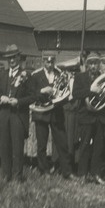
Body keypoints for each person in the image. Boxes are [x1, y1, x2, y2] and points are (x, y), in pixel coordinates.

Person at [0, 44, 35, 182]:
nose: (11, 60)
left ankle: (17, 176)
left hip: (18, 115)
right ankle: (5, 175)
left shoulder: (26, 75)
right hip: (4, 114)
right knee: (4, 146)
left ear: (18, 58)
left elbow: (33, 96)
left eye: (13, 57)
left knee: (17, 147)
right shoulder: (3, 74)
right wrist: (0, 98)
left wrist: (19, 102)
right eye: (9, 58)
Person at [29, 51, 73, 179]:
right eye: (47, 62)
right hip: (41, 112)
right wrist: (42, 90)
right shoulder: (36, 75)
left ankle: (67, 171)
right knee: (42, 144)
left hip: (56, 112)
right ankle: (44, 171)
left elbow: (66, 91)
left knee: (62, 143)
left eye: (52, 61)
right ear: (43, 62)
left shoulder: (60, 74)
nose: (49, 64)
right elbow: (31, 94)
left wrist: (60, 95)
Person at [72, 53, 105, 185]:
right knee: (84, 146)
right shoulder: (80, 77)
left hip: (100, 116)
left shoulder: (103, 77)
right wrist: (91, 90)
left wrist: (104, 93)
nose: (93, 66)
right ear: (87, 65)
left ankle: (96, 174)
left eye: (96, 63)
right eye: (91, 64)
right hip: (86, 116)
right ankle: (82, 174)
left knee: (98, 147)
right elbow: (75, 94)